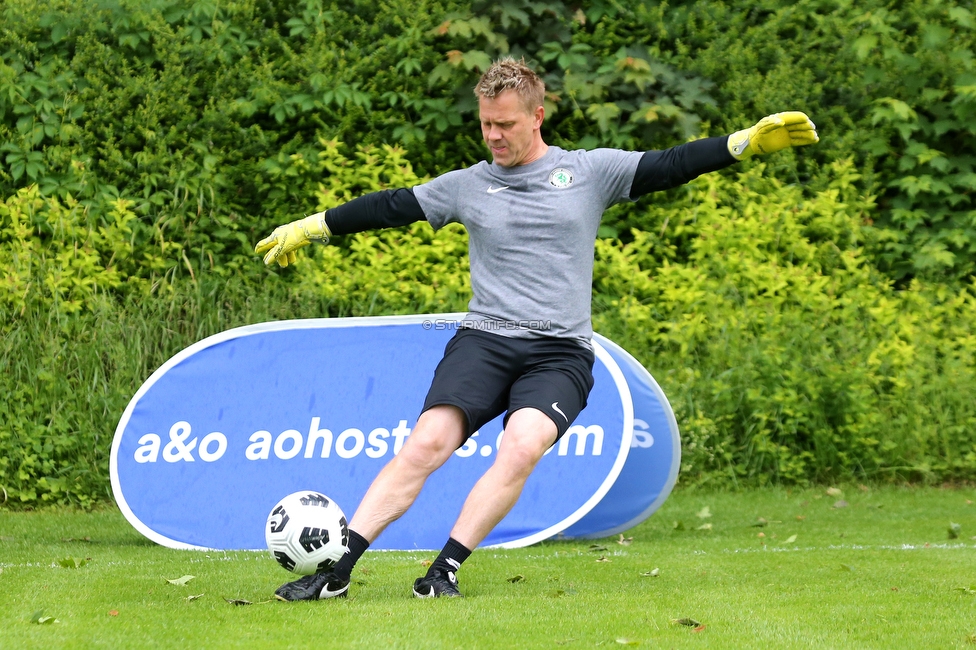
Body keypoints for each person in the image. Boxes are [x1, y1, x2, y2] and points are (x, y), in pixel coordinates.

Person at [255, 58, 818, 600]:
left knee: (523, 445)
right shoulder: (470, 184)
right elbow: (393, 206)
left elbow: (668, 164)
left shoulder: (590, 172)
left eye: (505, 124)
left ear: (536, 116)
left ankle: (443, 570)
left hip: (560, 353)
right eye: (485, 125)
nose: (493, 136)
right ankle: (338, 569)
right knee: (427, 442)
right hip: (485, 341)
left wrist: (741, 143)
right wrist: (314, 227)